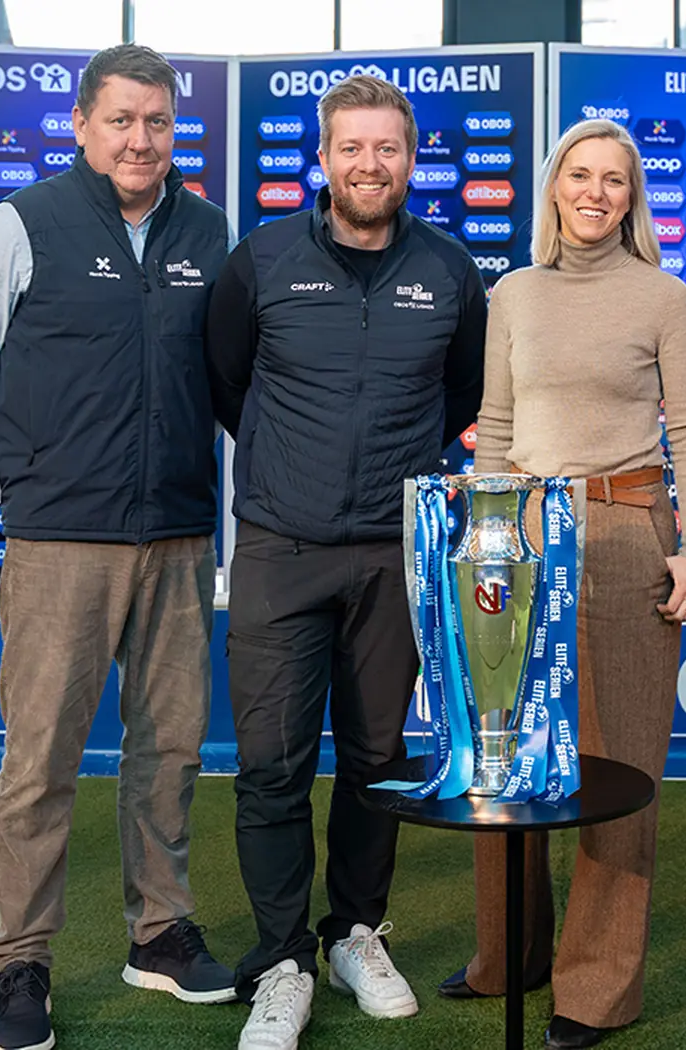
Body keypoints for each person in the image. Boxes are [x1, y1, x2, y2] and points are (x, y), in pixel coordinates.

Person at [0, 44, 235, 1050]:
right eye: (122, 121)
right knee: (41, 761)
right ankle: (23, 961)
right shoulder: (18, 226)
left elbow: (226, 378)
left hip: (181, 535)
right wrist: (17, 477)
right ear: (81, 125)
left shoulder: (208, 230)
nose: (142, 139)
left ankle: (160, 934)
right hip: (60, 542)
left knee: (170, 752)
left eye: (157, 122)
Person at [204, 74, 487, 1050]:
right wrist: (300, 472)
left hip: (392, 558)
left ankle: (353, 934)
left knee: (376, 761)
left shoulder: (450, 271)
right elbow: (228, 383)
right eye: (352, 148)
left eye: (389, 149)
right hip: (281, 551)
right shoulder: (262, 262)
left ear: (411, 159)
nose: (371, 165)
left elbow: (460, 395)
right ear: (322, 159)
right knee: (271, 769)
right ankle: (281, 963)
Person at [436, 118, 686, 1050]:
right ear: (554, 187)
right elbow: (497, 424)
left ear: (633, 199)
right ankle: (506, 957)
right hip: (518, 539)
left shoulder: (665, 297)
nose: (596, 193)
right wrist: (482, 539)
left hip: (631, 536)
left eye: (615, 181)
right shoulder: (511, 293)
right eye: (580, 175)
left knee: (617, 762)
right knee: (506, 755)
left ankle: (596, 990)